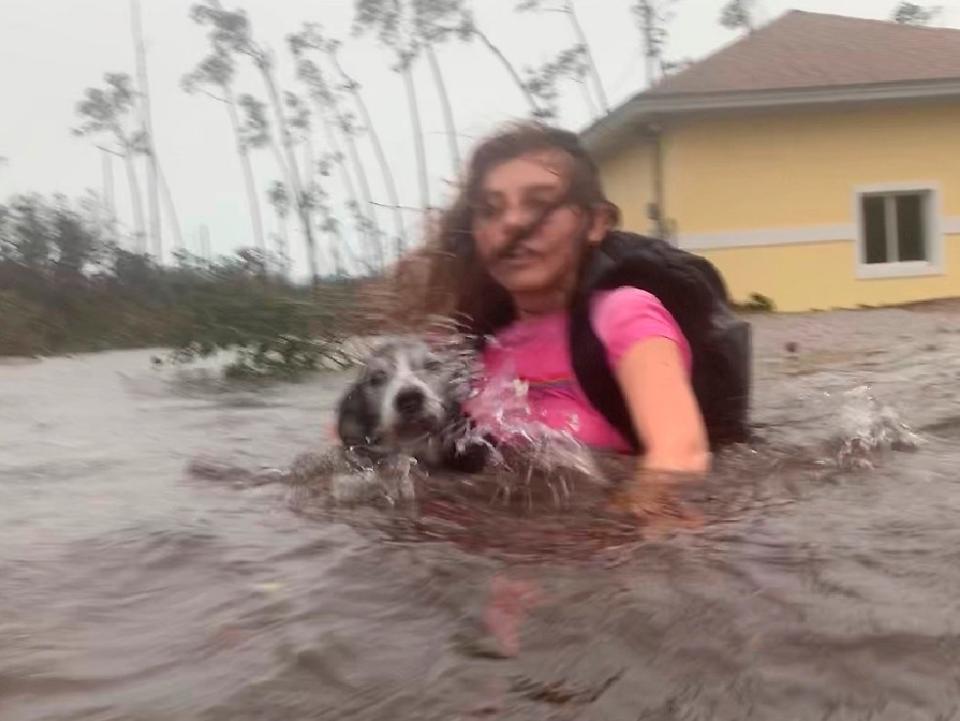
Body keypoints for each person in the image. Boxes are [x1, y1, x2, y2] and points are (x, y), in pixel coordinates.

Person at [418, 122, 712, 518]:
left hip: (602, 559)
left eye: (538, 204)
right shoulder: (466, 346)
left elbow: (680, 454)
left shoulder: (623, 317)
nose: (512, 224)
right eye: (490, 210)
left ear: (594, 223)